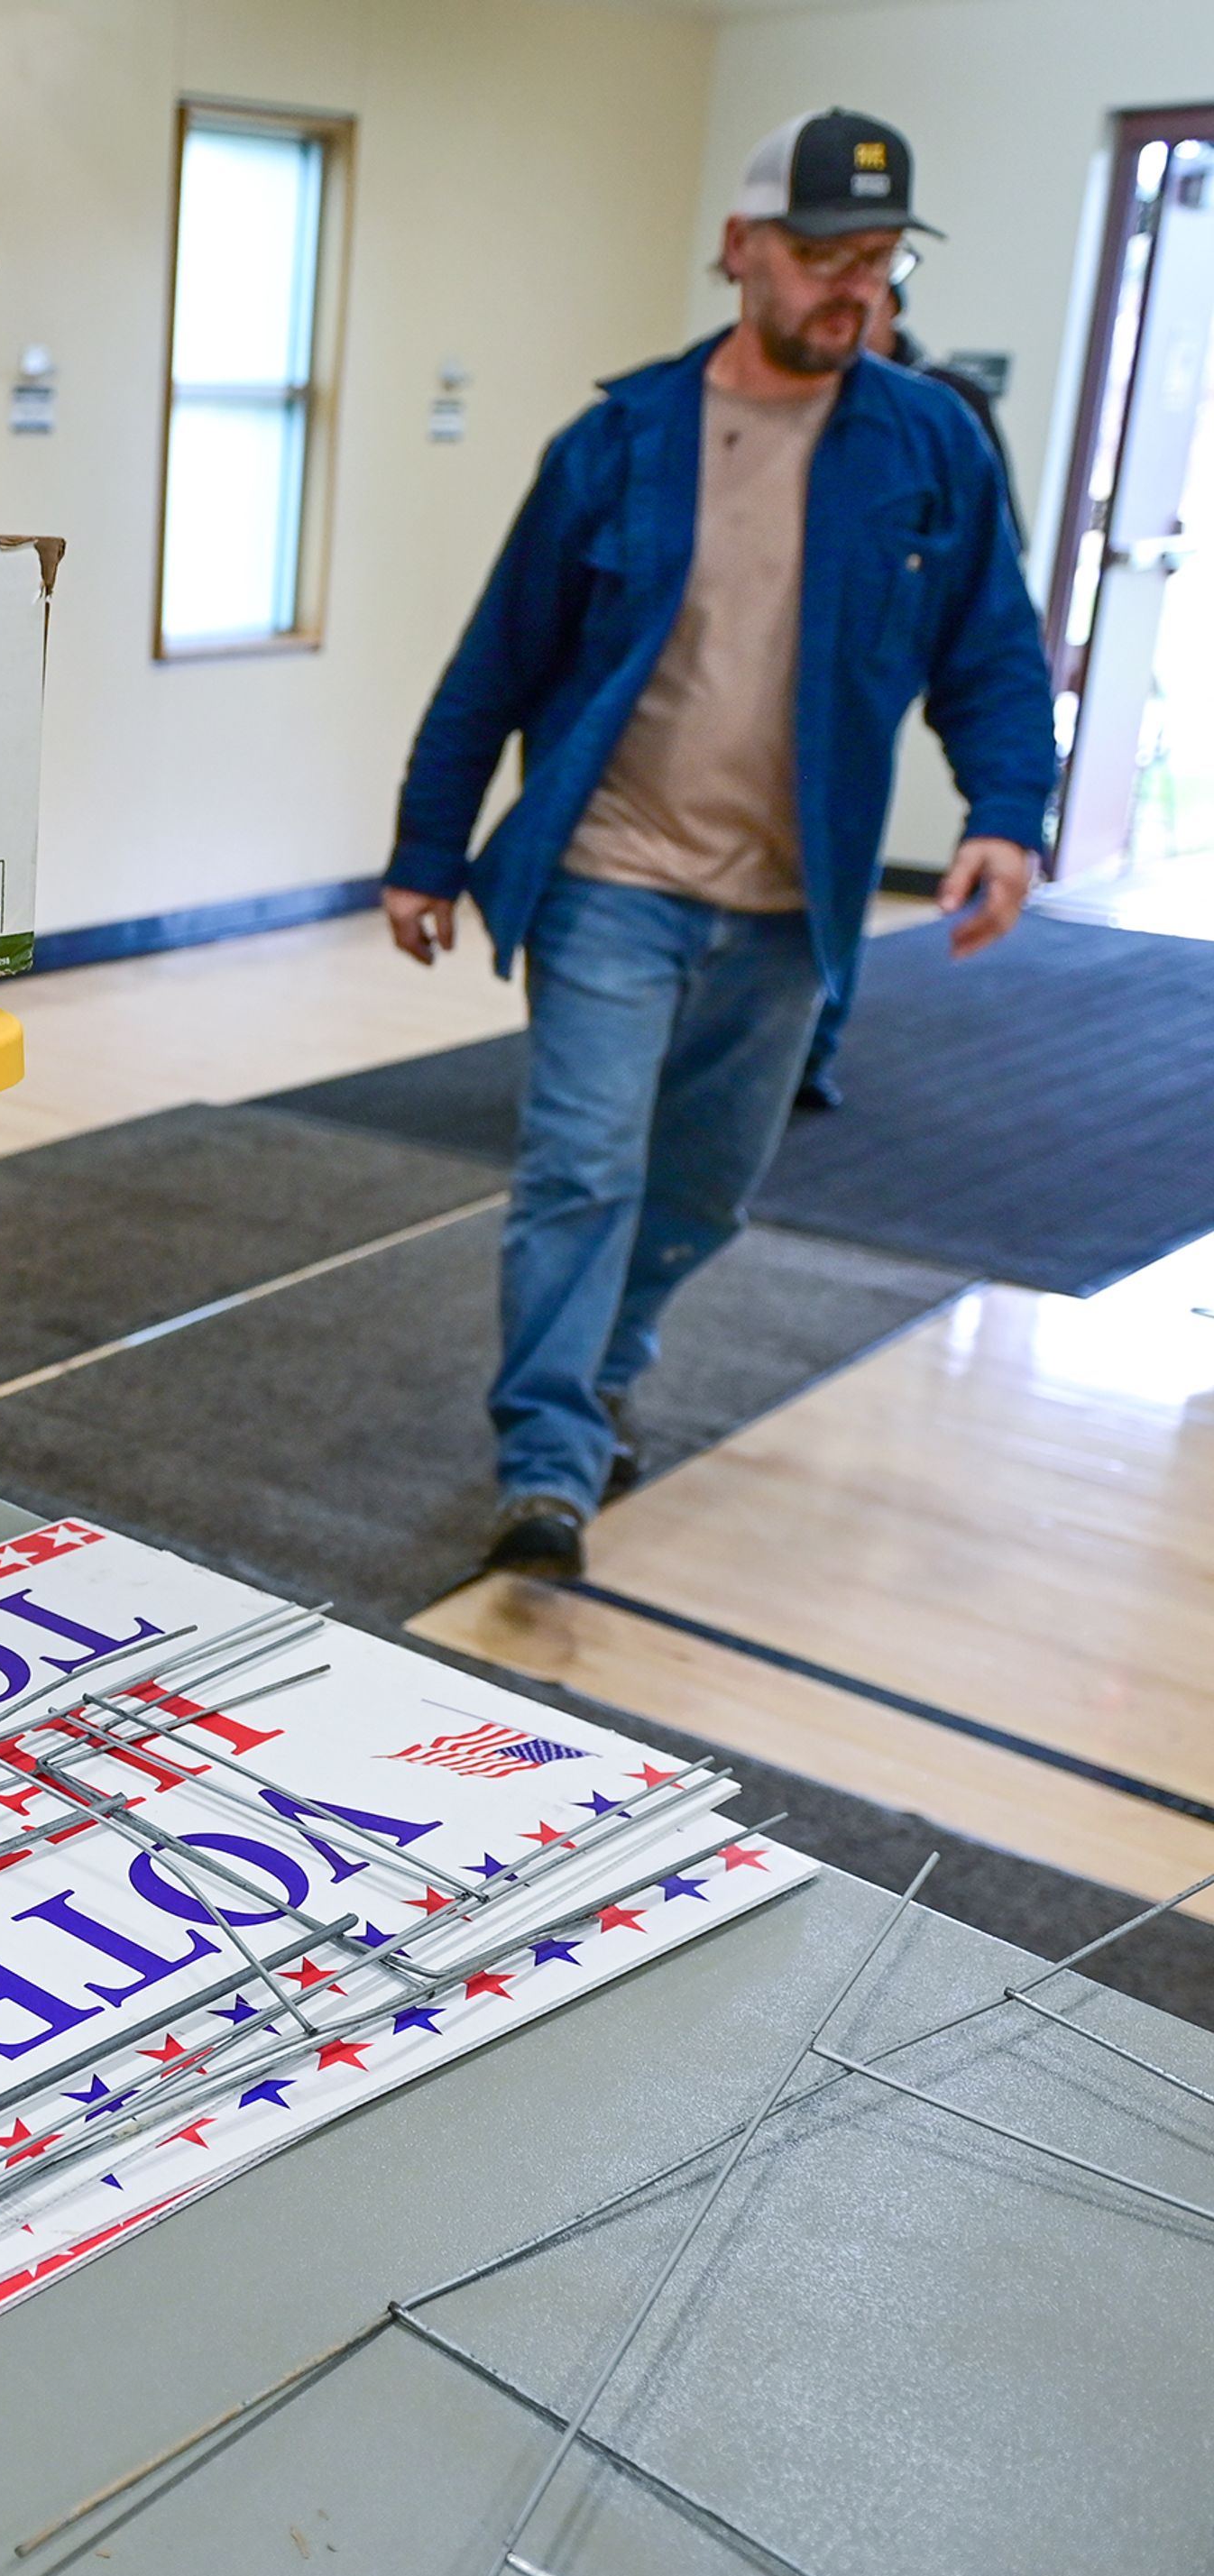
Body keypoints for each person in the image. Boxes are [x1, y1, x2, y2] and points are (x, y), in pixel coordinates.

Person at [382, 106, 1055, 1581]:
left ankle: (608, 1357)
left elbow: (995, 651)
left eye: (877, 261)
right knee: (580, 1167)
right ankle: (547, 1460)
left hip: (785, 902)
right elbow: (496, 661)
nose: (851, 290)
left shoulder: (930, 445)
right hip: (609, 875)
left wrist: (1008, 815)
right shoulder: (619, 442)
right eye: (823, 255)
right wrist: (428, 848)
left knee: (701, 1189)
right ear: (742, 249)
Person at [796, 271, 1024, 1110]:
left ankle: (813, 1041)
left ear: (894, 306)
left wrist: (1003, 798)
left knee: (838, 849)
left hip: (874, 665)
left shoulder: (943, 412)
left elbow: (990, 577)